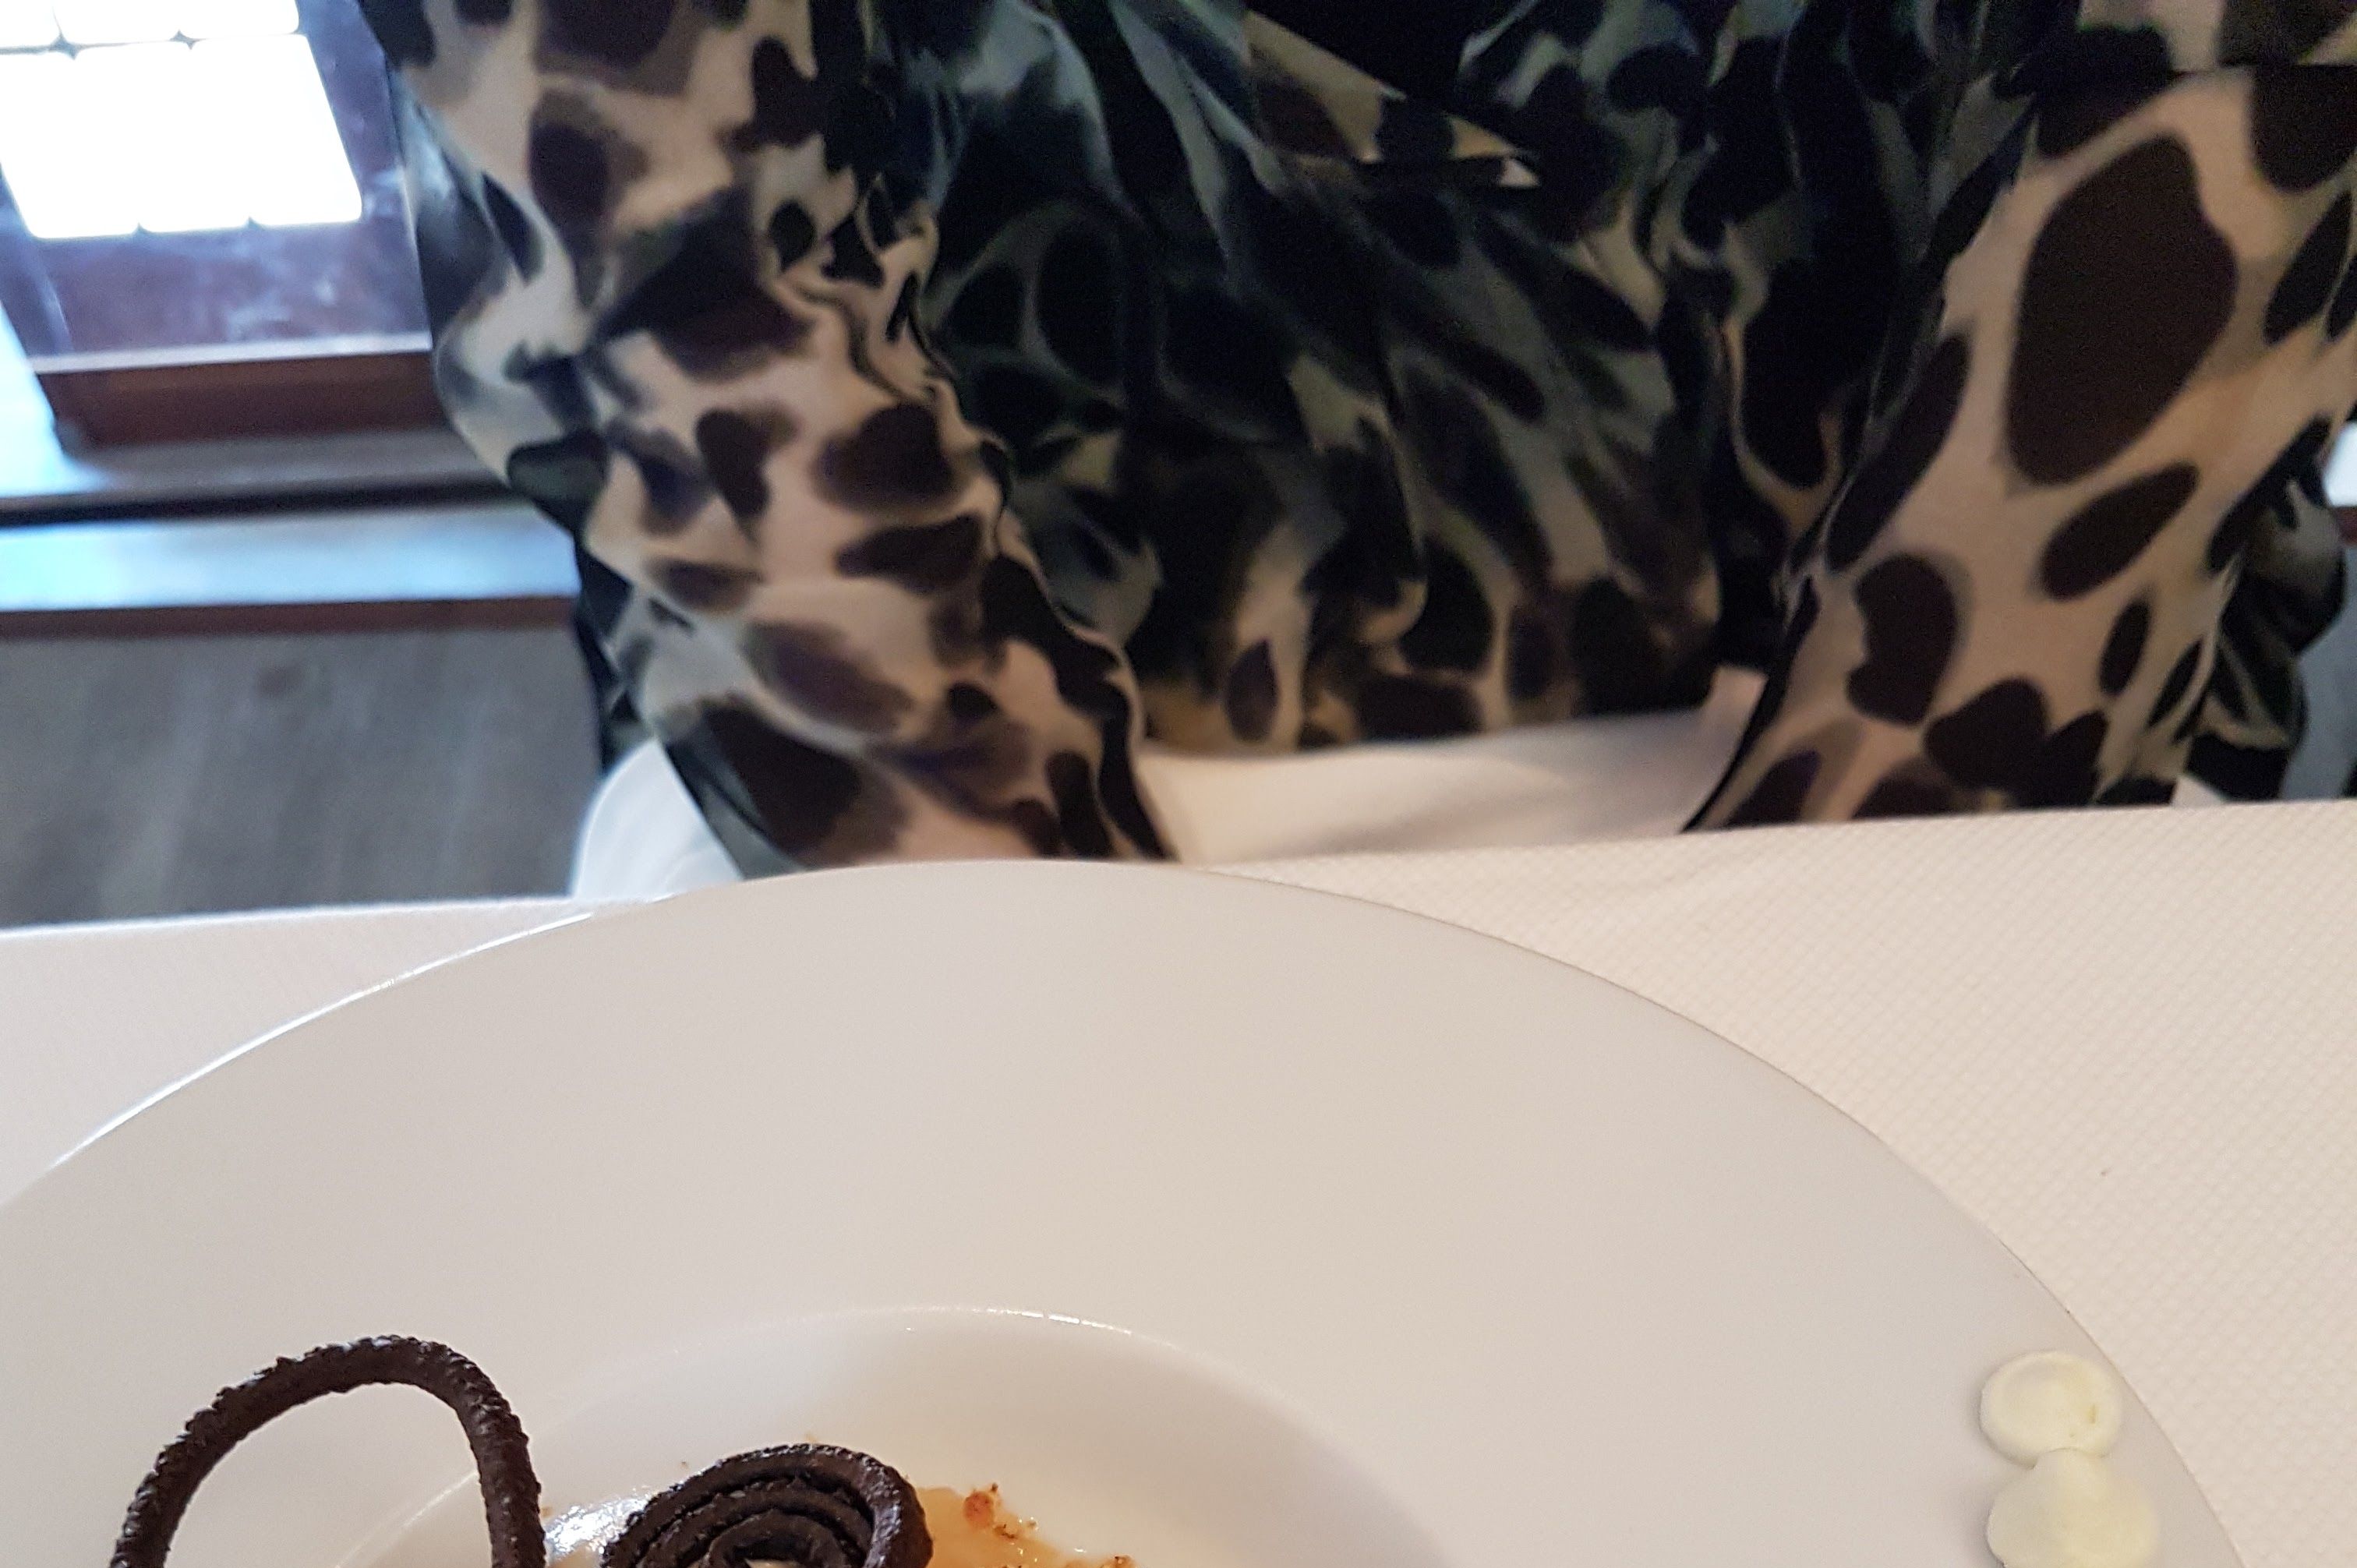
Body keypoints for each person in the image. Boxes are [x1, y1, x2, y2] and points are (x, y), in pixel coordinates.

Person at [362, 0, 2357, 872]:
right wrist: (1079, 1004)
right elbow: (683, 306)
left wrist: (1786, 1025)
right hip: (973, 644)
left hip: (1904, 668)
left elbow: (2168, 280)